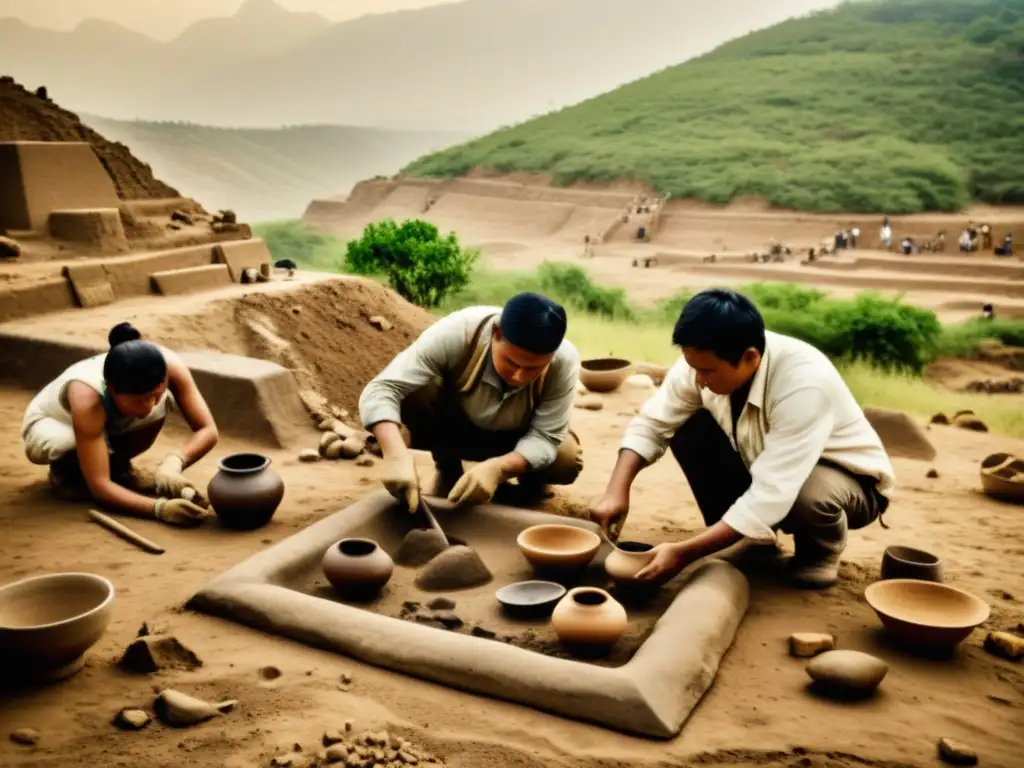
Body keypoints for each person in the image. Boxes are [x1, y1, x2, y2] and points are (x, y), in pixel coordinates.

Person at [590, 289, 895, 589]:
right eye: (694, 368)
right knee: (686, 426)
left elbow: (772, 490)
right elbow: (653, 424)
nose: (698, 379)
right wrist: (617, 490)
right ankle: (744, 537)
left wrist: (685, 553)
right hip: (764, 462)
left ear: (750, 357)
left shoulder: (805, 385)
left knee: (807, 494)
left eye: (707, 371)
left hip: (848, 483)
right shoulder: (705, 357)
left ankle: (819, 553)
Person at [359, 292, 583, 513]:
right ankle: (448, 469)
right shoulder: (458, 332)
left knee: (565, 458)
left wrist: (499, 469)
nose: (519, 377)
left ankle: (531, 486)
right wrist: (396, 455)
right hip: (454, 428)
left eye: (533, 369)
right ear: (496, 333)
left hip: (514, 439)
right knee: (414, 390)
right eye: (512, 363)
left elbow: (545, 437)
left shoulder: (563, 360)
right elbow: (383, 389)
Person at [21, 323, 218, 526]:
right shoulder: (86, 396)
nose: (149, 405)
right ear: (112, 388)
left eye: (155, 395)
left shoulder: (168, 365)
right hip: (51, 425)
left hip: (105, 421)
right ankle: (65, 474)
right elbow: (100, 487)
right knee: (69, 444)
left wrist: (174, 462)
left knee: (156, 408)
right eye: (137, 400)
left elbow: (208, 429)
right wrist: (158, 509)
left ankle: (118, 467)